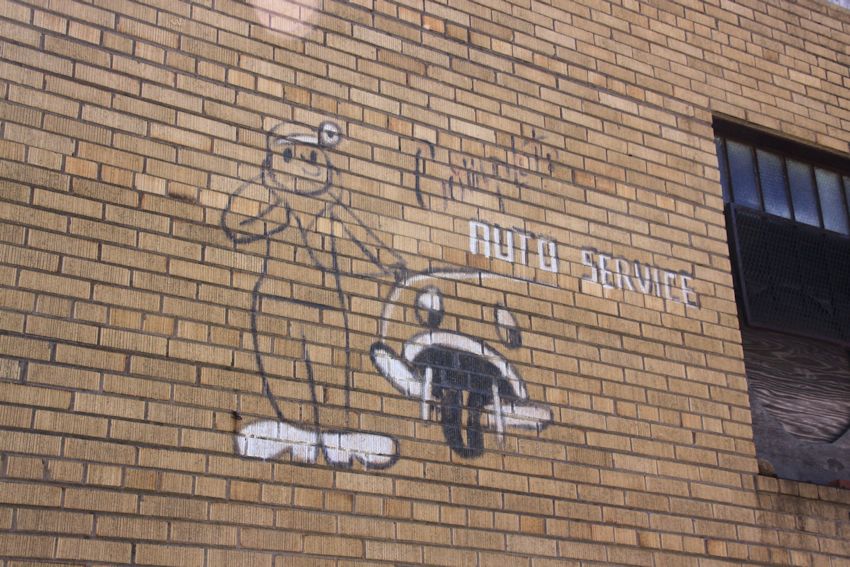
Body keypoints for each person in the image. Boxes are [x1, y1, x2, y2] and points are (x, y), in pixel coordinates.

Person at [221, 121, 405, 468]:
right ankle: (294, 433)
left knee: (331, 373)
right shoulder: (272, 200)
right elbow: (235, 224)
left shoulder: (331, 207)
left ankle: (336, 438)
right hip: (275, 301)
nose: (304, 165)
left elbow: (364, 240)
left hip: (328, 307)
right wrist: (269, 203)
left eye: (313, 158)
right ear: (272, 162)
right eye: (290, 155)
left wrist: (391, 265)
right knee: (281, 365)